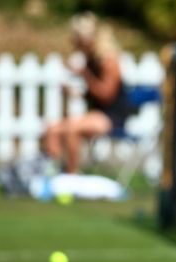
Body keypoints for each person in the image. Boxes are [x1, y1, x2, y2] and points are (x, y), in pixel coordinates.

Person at [43, 11, 130, 174]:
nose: (72, 41)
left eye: (76, 37)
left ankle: (71, 175)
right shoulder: (91, 58)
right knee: (52, 129)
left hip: (112, 117)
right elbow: (94, 93)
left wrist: (84, 74)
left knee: (71, 128)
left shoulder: (108, 60)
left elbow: (107, 95)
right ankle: (51, 173)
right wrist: (76, 93)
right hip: (97, 113)